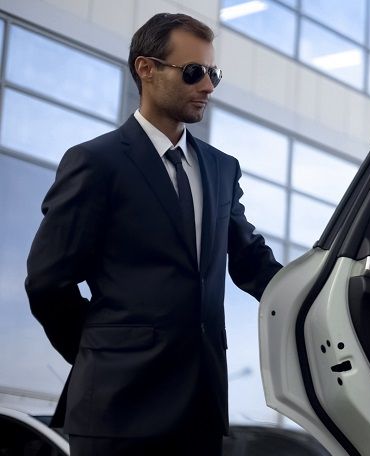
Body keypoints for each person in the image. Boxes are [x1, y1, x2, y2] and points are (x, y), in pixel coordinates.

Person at [24, 13, 282, 456]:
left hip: (199, 409)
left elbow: (252, 262)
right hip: (117, 407)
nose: (208, 86)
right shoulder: (96, 163)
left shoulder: (222, 169)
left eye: (214, 74)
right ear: (146, 69)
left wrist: (320, 295)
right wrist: (102, 352)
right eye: (194, 72)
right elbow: (48, 282)